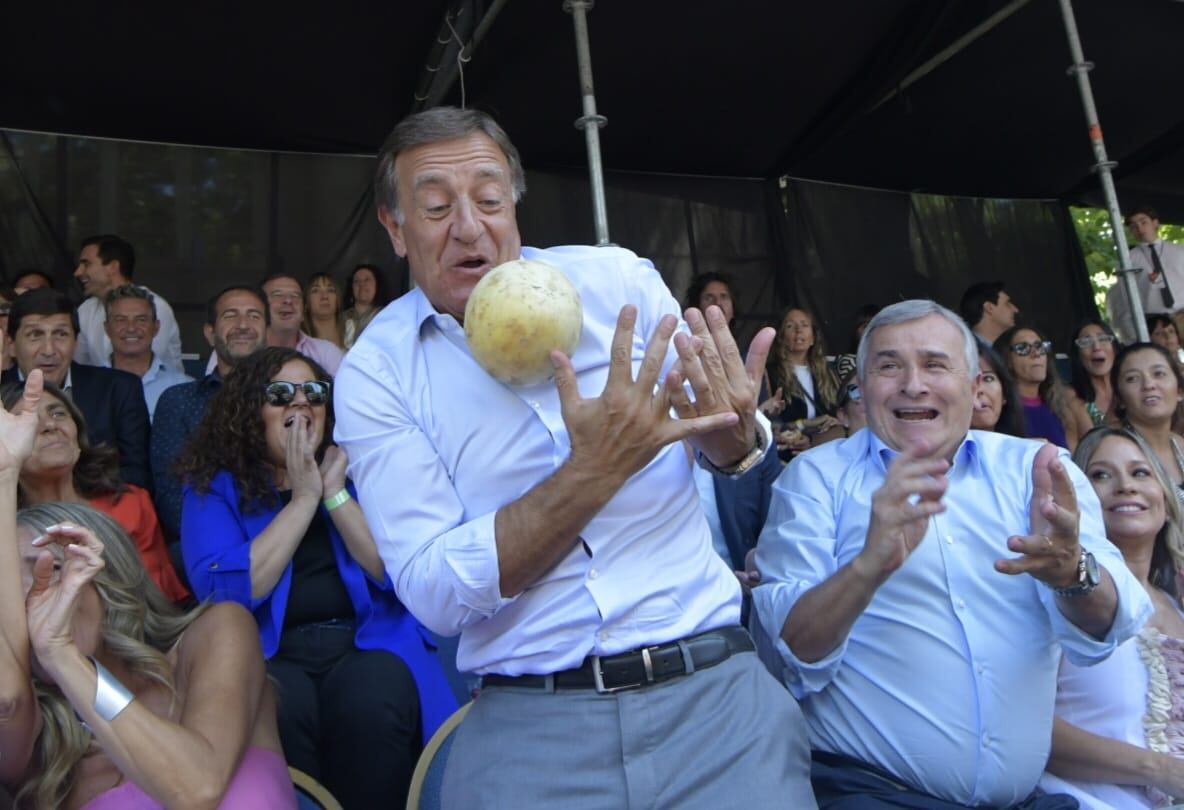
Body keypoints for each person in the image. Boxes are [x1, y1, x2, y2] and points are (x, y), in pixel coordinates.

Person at [333, 105, 817, 808]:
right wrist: (594, 471)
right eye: (436, 207)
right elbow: (434, 591)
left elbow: (724, 446)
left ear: (515, 207)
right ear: (394, 227)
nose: (470, 227)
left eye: (490, 200)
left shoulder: (616, 284)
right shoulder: (378, 371)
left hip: (716, 699)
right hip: (532, 723)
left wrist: (733, 431)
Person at [751, 298, 1151, 808]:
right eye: (889, 365)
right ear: (863, 385)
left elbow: (1111, 626)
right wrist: (867, 569)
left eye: (936, 364)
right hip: (873, 793)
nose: (913, 384)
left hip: (1028, 798)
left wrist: (1073, 576)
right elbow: (787, 657)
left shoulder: (1036, 471)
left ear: (975, 383)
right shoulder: (815, 479)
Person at [0, 371, 294, 809]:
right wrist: (6, 474)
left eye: (50, 569)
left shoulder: (213, 636)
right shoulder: (37, 734)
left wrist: (65, 656)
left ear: (107, 578)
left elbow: (195, 787)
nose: (32, 599)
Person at [179, 347, 456, 807]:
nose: (301, 403)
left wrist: (331, 494)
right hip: (269, 652)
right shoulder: (213, 485)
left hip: (364, 644)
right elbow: (226, 591)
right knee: (282, 706)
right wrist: (302, 501)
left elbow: (397, 574)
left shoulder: (356, 472)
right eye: (281, 393)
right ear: (250, 412)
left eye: (314, 392)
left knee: (374, 697)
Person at [1039, 427, 1184, 807]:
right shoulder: (1053, 596)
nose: (1125, 486)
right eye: (1101, 475)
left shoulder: (1176, 604)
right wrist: (1161, 770)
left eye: (1140, 473)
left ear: (1166, 502)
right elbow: (1022, 727)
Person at [0, 380, 188, 602]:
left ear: (78, 435)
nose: (50, 425)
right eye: (28, 420)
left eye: (59, 414)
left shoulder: (130, 505)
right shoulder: (6, 529)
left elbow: (157, 604)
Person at [2, 289, 151, 489]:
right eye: (35, 335)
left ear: (76, 342)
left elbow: (137, 474)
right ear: (10, 345)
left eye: (61, 334)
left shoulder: (119, 389)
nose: (49, 350)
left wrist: (72, 501)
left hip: (98, 512)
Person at [152, 285, 268, 539]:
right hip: (205, 542)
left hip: (283, 535)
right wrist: (216, 540)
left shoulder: (285, 398)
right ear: (209, 333)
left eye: (254, 316)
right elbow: (170, 490)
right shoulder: (179, 400)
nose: (243, 325)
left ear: (267, 332)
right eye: (230, 315)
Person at [72, 235, 184, 373]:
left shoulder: (154, 306)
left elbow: (139, 367)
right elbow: (78, 367)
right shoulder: (85, 310)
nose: (78, 272)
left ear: (113, 267)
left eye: (86, 264)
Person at [203, 273, 344, 376]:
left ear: (303, 312)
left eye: (295, 296)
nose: (288, 301)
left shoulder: (327, 353)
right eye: (277, 294)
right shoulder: (235, 347)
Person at [102, 284, 192, 421]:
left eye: (141, 319)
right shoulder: (88, 387)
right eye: (121, 320)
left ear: (156, 327)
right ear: (107, 328)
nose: (131, 328)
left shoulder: (184, 388)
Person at [1112, 342, 1184, 504]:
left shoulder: (1180, 444)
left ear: (1179, 391)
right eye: (1132, 378)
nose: (1149, 385)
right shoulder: (1115, 455)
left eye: (1158, 374)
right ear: (1120, 399)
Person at [766, 305, 842, 456]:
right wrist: (803, 426)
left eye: (804, 325)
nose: (798, 330)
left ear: (813, 337)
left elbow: (841, 418)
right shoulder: (770, 373)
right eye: (790, 326)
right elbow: (768, 424)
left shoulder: (828, 373)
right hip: (787, 456)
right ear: (781, 337)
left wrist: (833, 424)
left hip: (824, 453)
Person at [995, 324, 1085, 450]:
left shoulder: (1061, 409)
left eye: (1040, 346)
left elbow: (1072, 460)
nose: (1036, 353)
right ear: (1007, 359)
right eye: (1023, 348)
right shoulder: (998, 410)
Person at [1069, 320, 1120, 434]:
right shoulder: (1072, 397)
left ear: (1114, 348)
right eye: (1086, 341)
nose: (1096, 347)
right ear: (1078, 355)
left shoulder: (1131, 389)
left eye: (1102, 339)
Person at [974, 338, 1026, 436]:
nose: (979, 389)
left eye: (988, 379)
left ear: (1004, 394)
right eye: (968, 380)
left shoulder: (1028, 449)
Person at [342, 263, 390, 349]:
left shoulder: (386, 316)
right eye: (357, 281)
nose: (361, 284)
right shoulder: (342, 318)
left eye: (367, 280)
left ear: (377, 285)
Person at [960, 280, 1020, 345]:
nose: (1015, 309)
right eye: (1007, 303)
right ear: (989, 308)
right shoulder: (964, 349)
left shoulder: (968, 346)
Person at [303, 272, 346, 349]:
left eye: (330, 290)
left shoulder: (354, 333)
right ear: (306, 303)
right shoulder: (299, 343)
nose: (324, 296)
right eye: (315, 290)